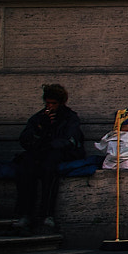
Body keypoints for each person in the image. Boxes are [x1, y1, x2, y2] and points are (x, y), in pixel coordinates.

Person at [14, 84, 85, 231]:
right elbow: (25, 139)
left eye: (53, 103)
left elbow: (70, 140)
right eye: (48, 103)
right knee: (25, 168)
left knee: (49, 170)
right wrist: (40, 128)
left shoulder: (69, 117)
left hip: (59, 153)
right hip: (39, 152)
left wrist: (50, 144)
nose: (50, 107)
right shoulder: (39, 118)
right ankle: (25, 214)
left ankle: (47, 214)